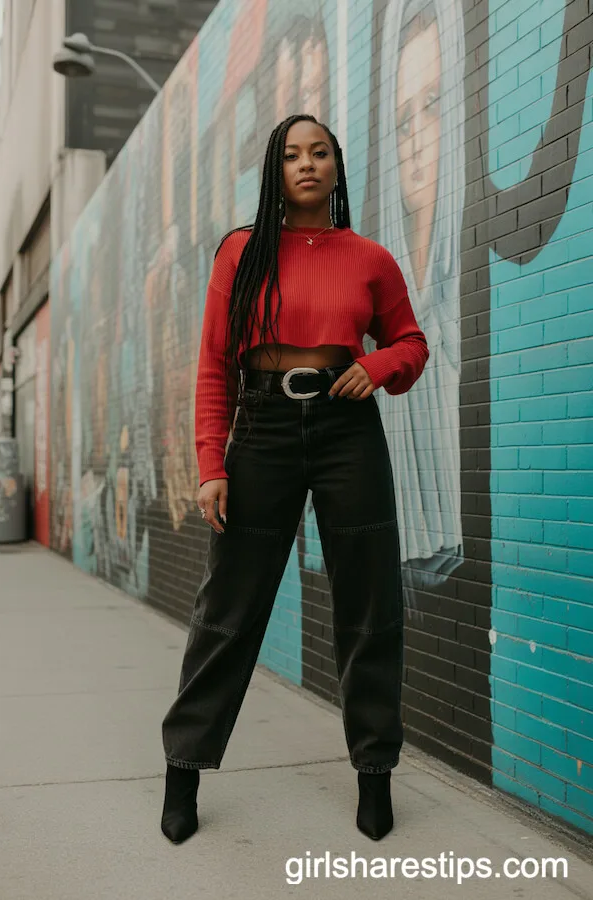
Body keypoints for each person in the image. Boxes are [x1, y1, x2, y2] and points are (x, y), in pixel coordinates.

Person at [160, 113, 429, 844]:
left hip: (348, 433)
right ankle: (183, 767)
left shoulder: (370, 258)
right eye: (291, 154)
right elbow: (214, 364)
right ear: (274, 171)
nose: (305, 163)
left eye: (319, 153)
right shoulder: (241, 253)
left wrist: (375, 366)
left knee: (369, 605)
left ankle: (374, 776)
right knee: (231, 604)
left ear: (337, 167)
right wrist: (211, 463)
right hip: (264, 431)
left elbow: (410, 343)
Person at [373, 0, 465, 593]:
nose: (414, 139)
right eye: (402, 119)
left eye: (431, 107)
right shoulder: (386, 282)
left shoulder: (466, 296)